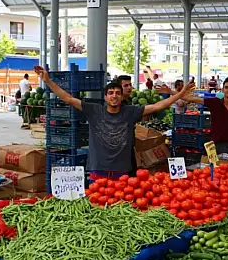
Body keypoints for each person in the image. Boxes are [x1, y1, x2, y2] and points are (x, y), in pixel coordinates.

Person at [35, 66, 194, 178]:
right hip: (98, 169)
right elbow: (68, 98)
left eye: (117, 93)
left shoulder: (130, 111)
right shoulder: (94, 110)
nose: (114, 96)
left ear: (121, 96)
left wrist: (179, 94)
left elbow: (158, 105)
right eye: (110, 93)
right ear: (105, 97)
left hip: (122, 171)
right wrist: (48, 81)